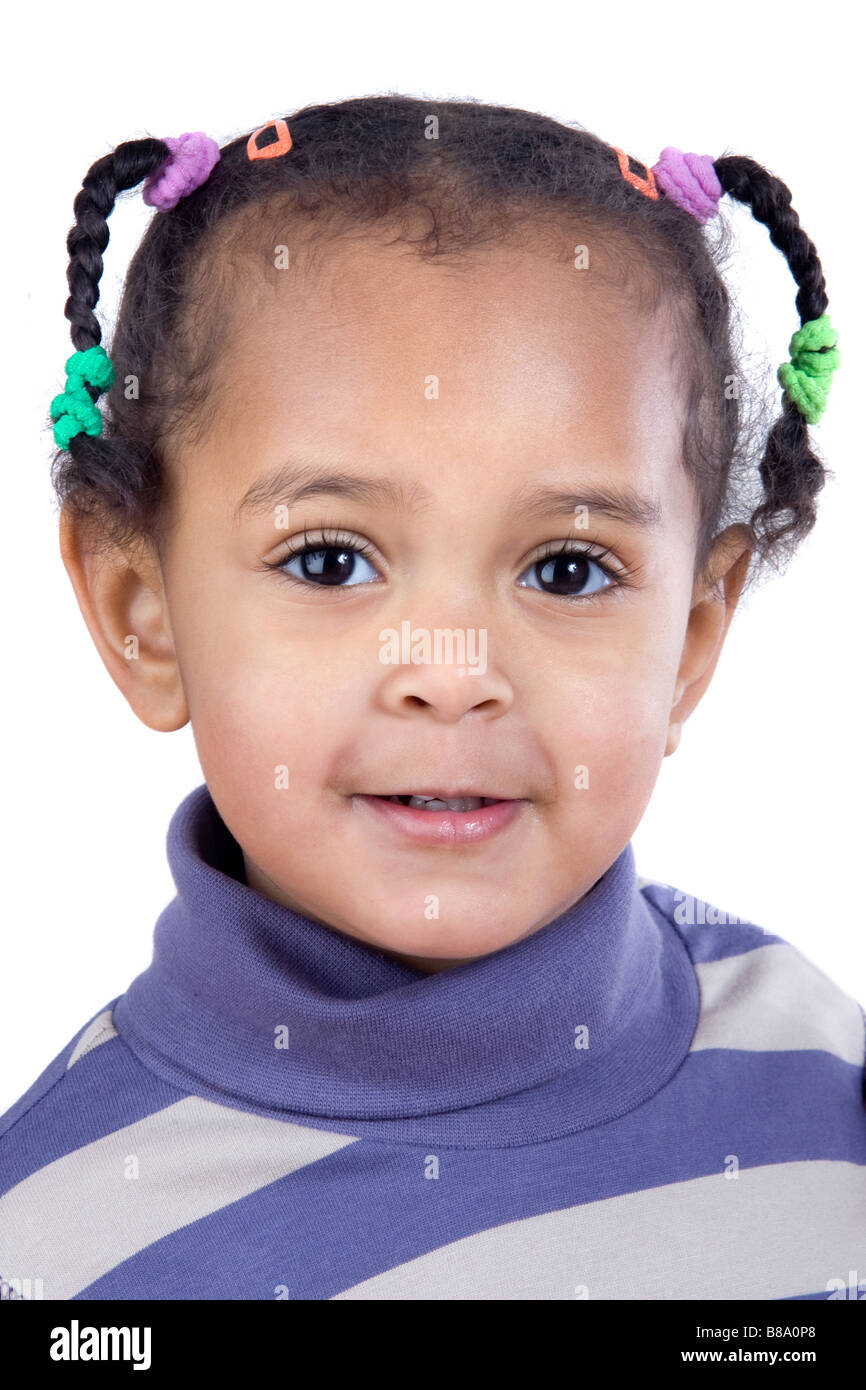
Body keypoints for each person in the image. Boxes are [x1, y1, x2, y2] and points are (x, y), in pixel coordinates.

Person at [0, 96, 862, 1301]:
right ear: (142, 610)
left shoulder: (822, 1073)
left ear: (691, 639)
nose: (451, 671)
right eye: (328, 560)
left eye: (566, 569)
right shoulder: (52, 1240)